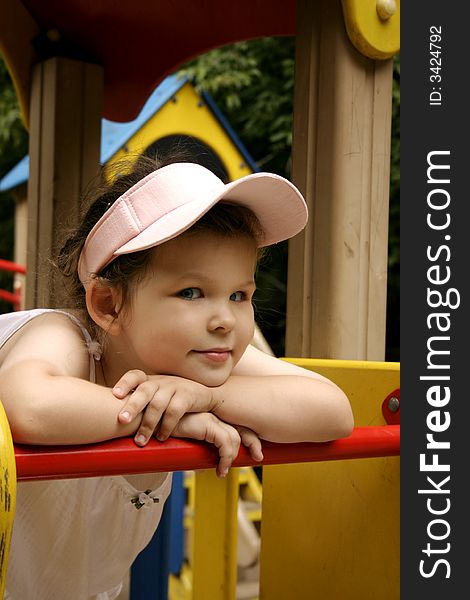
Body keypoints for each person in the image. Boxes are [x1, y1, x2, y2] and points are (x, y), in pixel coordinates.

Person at [0, 154, 353, 599]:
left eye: (240, 294)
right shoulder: (66, 337)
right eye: (192, 292)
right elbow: (28, 404)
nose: (225, 318)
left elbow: (334, 409)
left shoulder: (198, 364)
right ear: (109, 305)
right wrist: (175, 418)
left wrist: (208, 400)